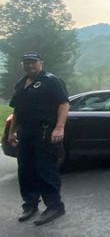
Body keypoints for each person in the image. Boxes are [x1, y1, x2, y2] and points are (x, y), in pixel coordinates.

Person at [7, 51, 70, 225]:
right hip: (25, 133)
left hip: (44, 132)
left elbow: (64, 103)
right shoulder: (21, 83)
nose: (29, 65)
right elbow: (17, 110)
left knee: (45, 170)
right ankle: (30, 205)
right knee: (25, 170)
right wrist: (12, 131)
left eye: (33, 62)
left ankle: (55, 206)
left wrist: (59, 127)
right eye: (26, 62)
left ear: (41, 62)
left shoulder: (51, 81)